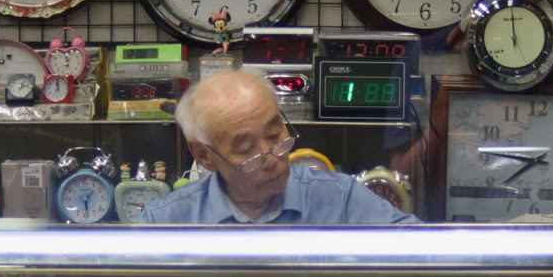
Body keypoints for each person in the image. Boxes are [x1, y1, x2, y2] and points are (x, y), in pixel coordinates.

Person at [139, 69, 420, 225]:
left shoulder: (340, 201)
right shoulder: (166, 222)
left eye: (275, 135)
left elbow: (422, 256)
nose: (272, 159)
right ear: (204, 156)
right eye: (246, 149)